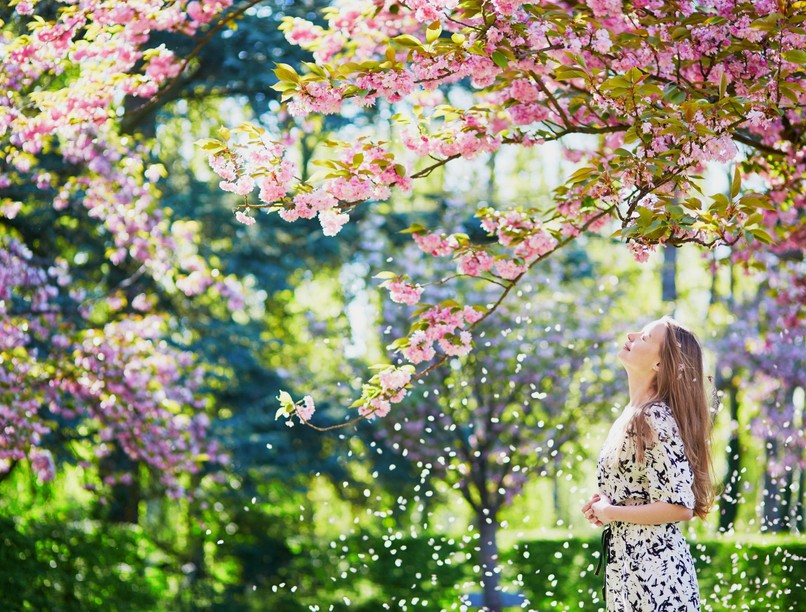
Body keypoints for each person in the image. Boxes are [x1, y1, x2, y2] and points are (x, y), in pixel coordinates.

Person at [581, 316, 715, 611]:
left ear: (660, 365)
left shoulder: (655, 417)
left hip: (656, 578)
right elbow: (641, 492)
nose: (630, 335)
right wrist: (605, 506)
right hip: (628, 573)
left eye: (644, 337)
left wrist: (611, 511)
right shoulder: (632, 413)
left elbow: (680, 507)